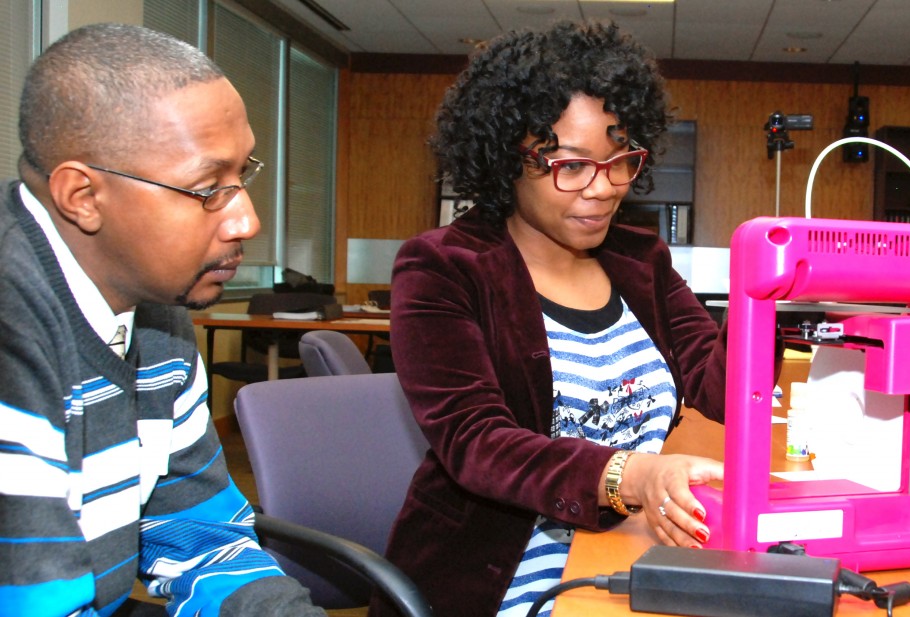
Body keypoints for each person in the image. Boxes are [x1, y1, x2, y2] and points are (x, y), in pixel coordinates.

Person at [372, 20, 729, 617]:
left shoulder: (641, 262)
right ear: (507, 156)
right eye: (571, 165)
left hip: (630, 560)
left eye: (621, 162)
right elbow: (476, 441)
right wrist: (631, 476)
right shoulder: (443, 268)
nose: (602, 188)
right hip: (499, 582)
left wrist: (768, 304)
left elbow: (713, 391)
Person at [0, 23, 325, 616]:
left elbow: (204, 541)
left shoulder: (153, 310)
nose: (246, 222)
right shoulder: (13, 323)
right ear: (82, 196)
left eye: (242, 175)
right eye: (206, 188)